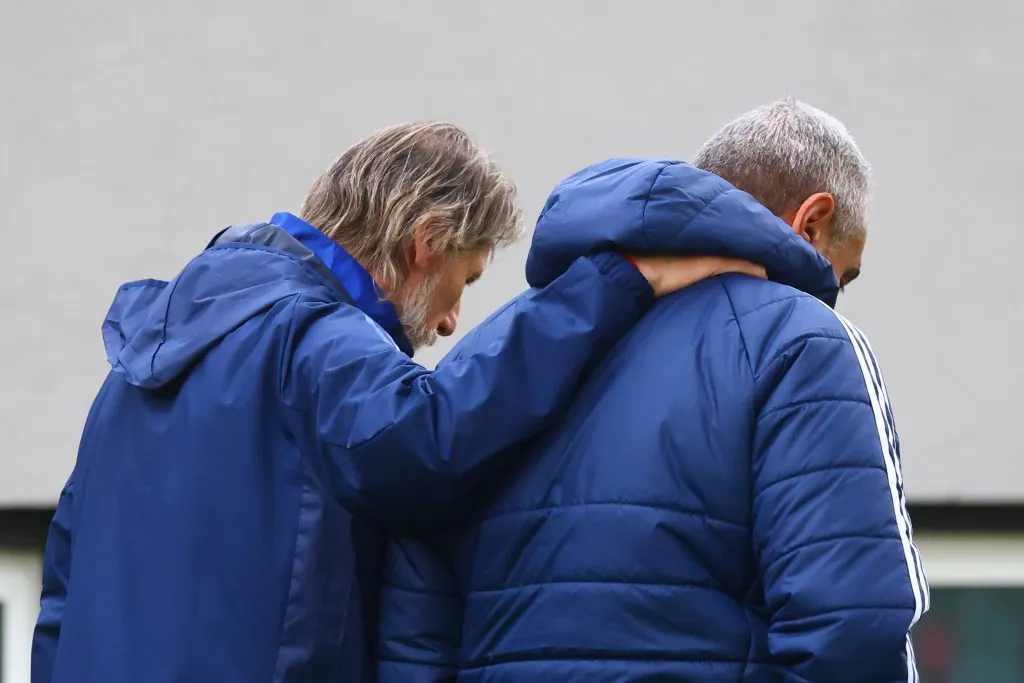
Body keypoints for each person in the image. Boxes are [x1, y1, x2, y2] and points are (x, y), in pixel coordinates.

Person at [29, 122, 765, 683]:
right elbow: (429, 441)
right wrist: (618, 283)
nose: (450, 323)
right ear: (427, 240)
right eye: (466, 282)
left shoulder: (139, 363)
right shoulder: (311, 337)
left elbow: (59, 594)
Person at [378, 101, 929, 682]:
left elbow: (412, 633)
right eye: (840, 276)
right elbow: (854, 629)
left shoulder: (484, 356)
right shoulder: (805, 343)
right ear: (810, 223)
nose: (832, 297)